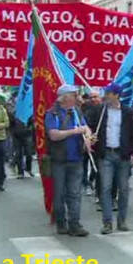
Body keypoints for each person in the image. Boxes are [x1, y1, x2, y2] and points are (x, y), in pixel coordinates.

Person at [88, 82, 133, 234]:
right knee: (105, 188)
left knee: (123, 188)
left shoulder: (128, 112)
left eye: (109, 93)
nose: (106, 96)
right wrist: (90, 137)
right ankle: (107, 222)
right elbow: (90, 127)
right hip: (106, 154)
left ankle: (122, 220)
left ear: (117, 95)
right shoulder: (100, 111)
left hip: (123, 155)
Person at [45, 84, 94, 236]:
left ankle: (75, 224)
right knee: (59, 193)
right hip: (59, 160)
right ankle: (61, 222)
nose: (77, 98)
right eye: (74, 95)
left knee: (75, 193)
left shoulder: (77, 112)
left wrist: (88, 136)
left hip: (76, 158)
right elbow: (53, 135)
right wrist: (75, 131)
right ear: (65, 97)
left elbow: (86, 127)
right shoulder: (52, 113)